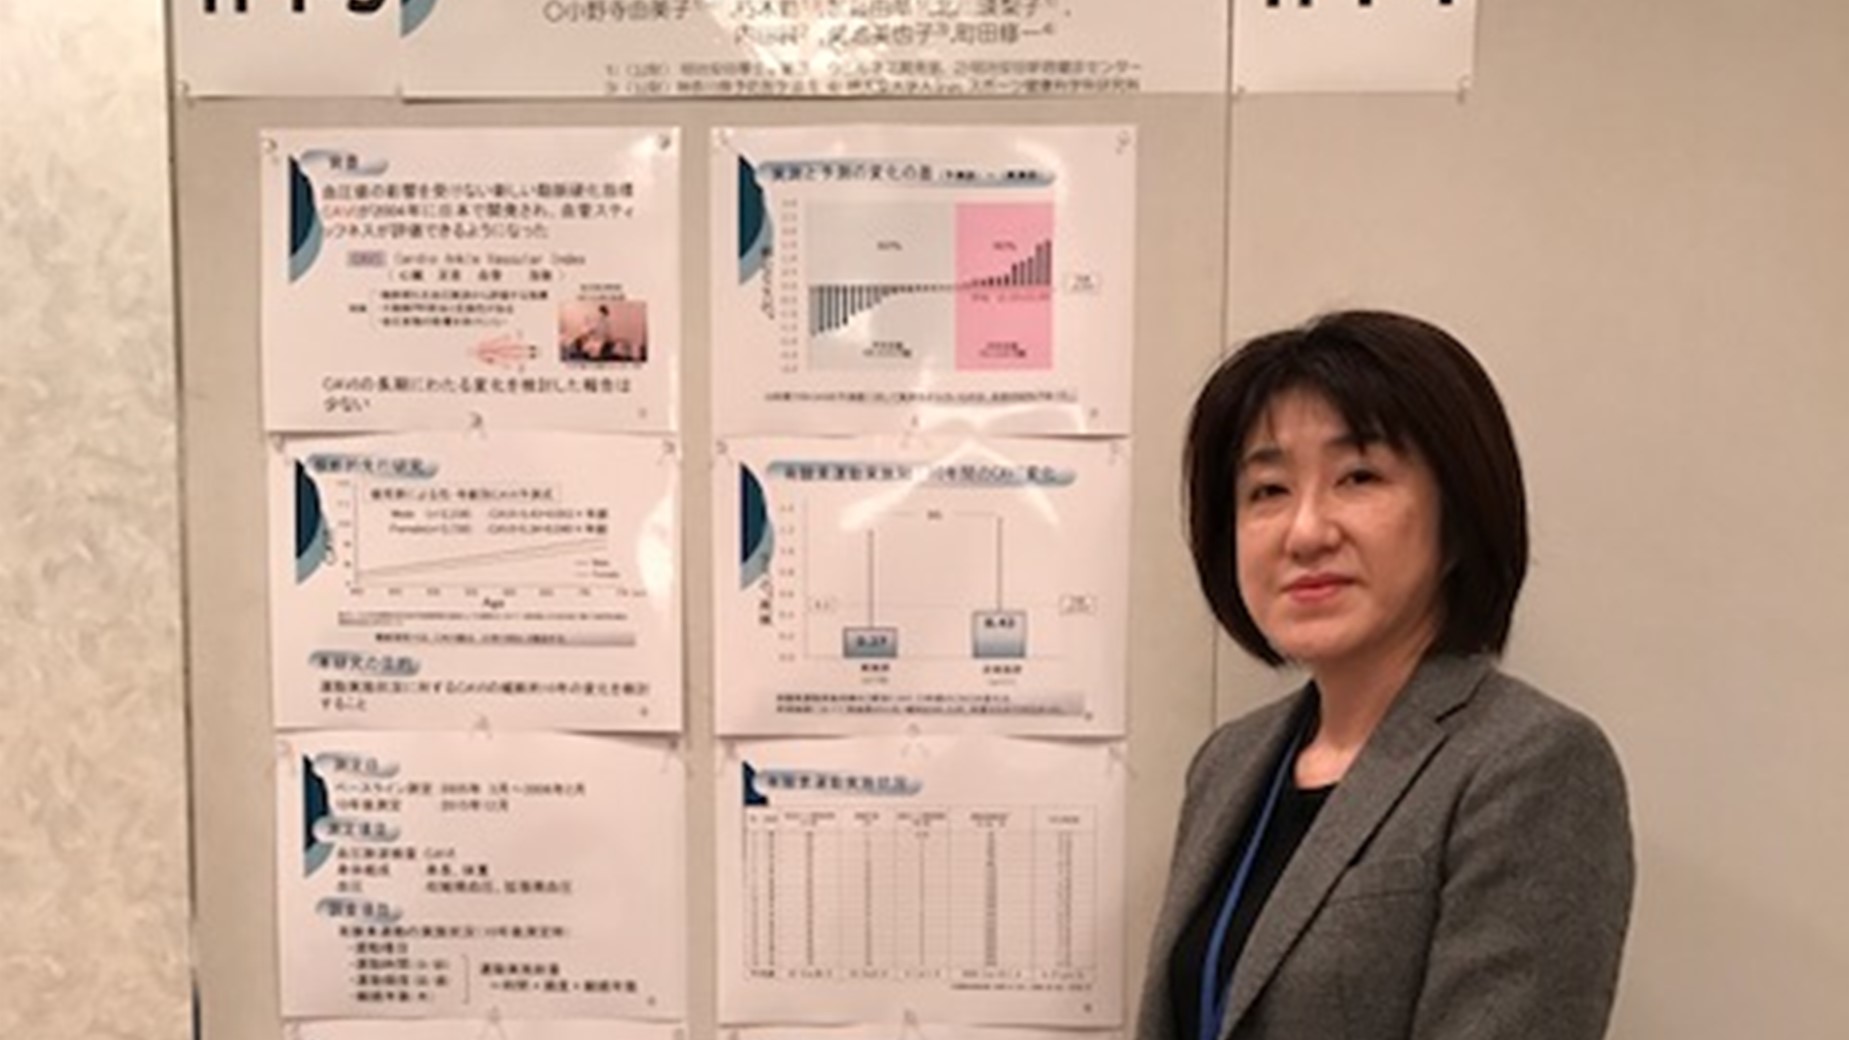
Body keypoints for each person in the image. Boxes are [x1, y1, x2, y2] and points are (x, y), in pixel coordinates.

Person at [1139, 311, 1634, 1040]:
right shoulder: (1228, 762)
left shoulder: (1530, 763)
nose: (1305, 532)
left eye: (1358, 477)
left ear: (1457, 519)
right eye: (1268, 490)